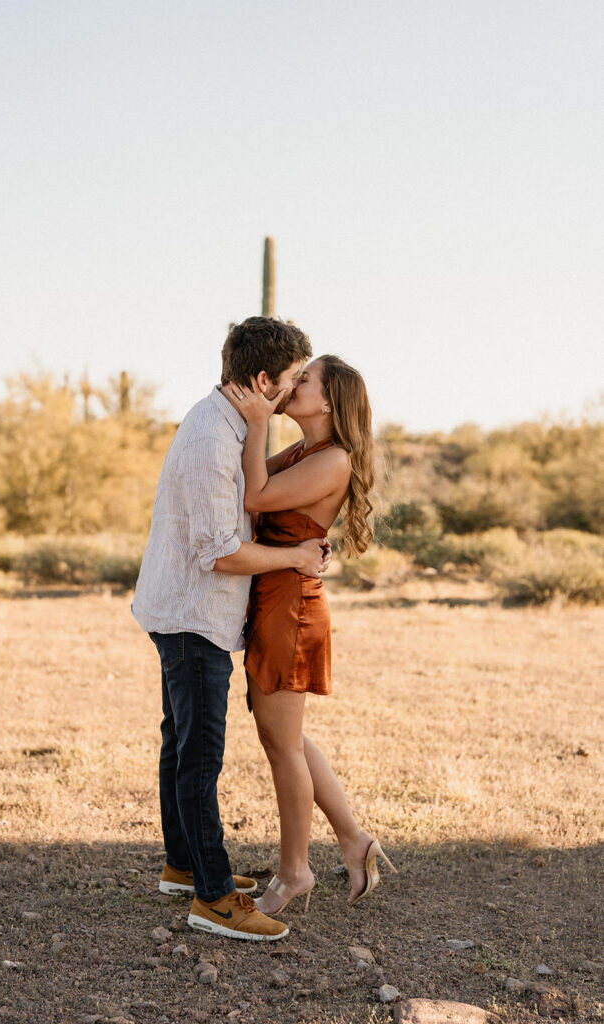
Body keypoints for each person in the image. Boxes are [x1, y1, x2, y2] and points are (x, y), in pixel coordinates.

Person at [131, 317, 330, 942]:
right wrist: (296, 559)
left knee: (179, 741)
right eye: (292, 378)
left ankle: (183, 865)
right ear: (264, 379)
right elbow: (221, 553)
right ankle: (213, 898)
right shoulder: (215, 439)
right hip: (195, 614)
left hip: (189, 609)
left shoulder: (224, 423)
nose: (296, 388)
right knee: (199, 757)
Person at [232, 355, 397, 916]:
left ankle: (295, 871)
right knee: (289, 739)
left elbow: (254, 497)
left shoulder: (333, 460)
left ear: (329, 401)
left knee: (281, 745)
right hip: (274, 597)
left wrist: (258, 422)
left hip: (289, 609)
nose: (293, 383)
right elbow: (240, 479)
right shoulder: (306, 450)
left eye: (306, 380)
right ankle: (354, 840)